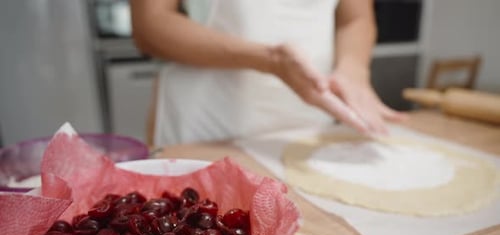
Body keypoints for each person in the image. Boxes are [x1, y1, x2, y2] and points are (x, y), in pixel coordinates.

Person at [131, 0, 405, 145]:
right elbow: (150, 26)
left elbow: (355, 18)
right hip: (209, 123)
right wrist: (270, 60)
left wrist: (353, 69)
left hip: (308, 115)